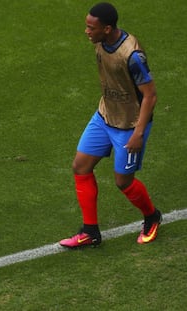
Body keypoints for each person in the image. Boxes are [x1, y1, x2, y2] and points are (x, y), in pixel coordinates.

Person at [59, 2, 161, 248]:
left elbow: (150, 96)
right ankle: (90, 232)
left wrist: (138, 134)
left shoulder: (133, 56)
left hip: (130, 125)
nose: (86, 31)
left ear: (106, 29)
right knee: (80, 166)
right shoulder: (100, 43)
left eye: (90, 27)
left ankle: (152, 217)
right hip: (104, 117)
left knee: (123, 182)